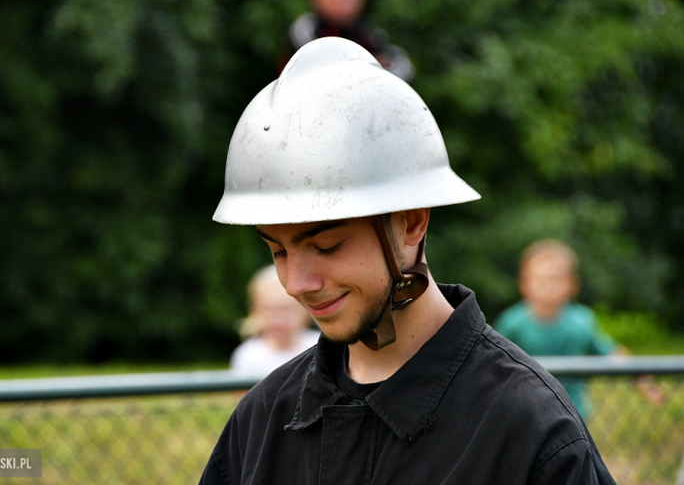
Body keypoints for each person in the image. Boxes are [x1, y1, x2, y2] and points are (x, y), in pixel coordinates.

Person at [201, 37, 614, 484]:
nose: (296, 283)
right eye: (278, 251)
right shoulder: (260, 422)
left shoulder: (530, 431)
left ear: (412, 223)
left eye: (327, 246)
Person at [495, 239, 663, 419]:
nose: (547, 287)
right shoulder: (511, 323)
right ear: (524, 283)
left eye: (554, 279)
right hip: (525, 415)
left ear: (572, 284)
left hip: (573, 416)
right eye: (539, 279)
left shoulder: (582, 320)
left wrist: (644, 382)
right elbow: (492, 364)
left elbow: (611, 353)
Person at [277, 0, 414, 81]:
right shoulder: (305, 30)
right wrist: (369, 68)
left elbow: (401, 66)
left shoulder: (369, 35)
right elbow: (314, 64)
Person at [230, 265, 320, 375]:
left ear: (305, 310)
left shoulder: (320, 347)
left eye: (285, 309)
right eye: (269, 310)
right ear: (255, 311)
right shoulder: (248, 355)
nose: (278, 319)